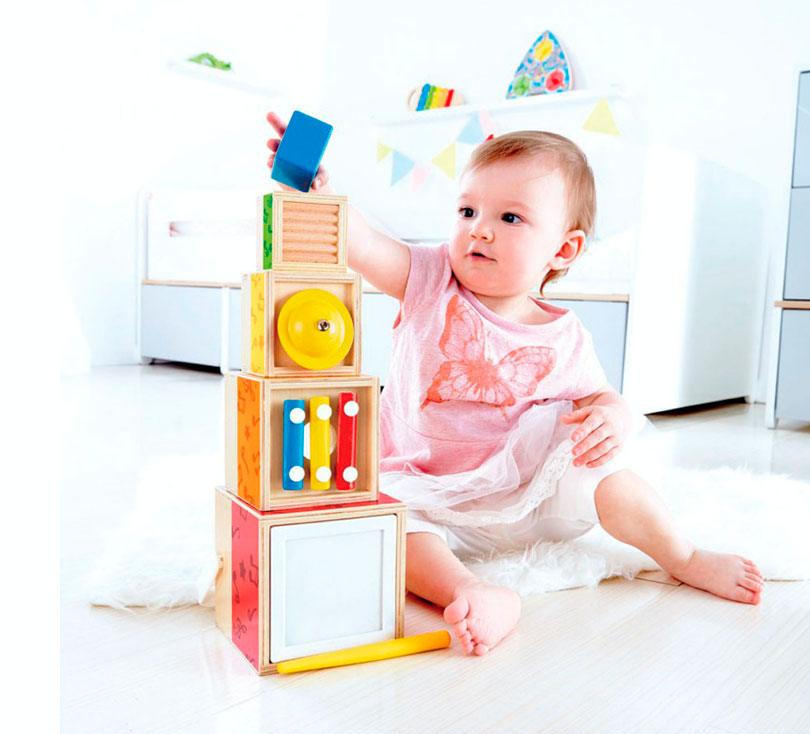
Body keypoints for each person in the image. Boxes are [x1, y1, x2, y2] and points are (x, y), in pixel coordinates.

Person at [266, 112, 764, 657]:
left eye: (509, 217)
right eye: (467, 210)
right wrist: (321, 194)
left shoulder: (564, 334)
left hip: (530, 497)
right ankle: (474, 591)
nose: (479, 228)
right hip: (430, 489)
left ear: (564, 249)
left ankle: (684, 557)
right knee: (383, 521)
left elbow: (601, 396)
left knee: (609, 473)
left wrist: (612, 418)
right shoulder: (428, 280)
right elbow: (364, 244)